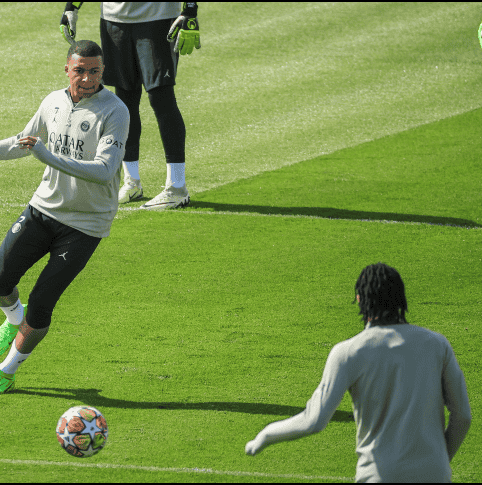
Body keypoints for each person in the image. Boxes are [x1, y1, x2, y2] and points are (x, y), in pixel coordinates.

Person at [0, 40, 129, 396]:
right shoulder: (53, 102)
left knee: (41, 305)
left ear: (103, 72)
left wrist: (46, 155)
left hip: (85, 225)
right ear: (67, 69)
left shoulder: (115, 111)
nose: (87, 78)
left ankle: (5, 372)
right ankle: (12, 320)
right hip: (43, 210)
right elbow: (18, 144)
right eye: (80, 70)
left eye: (95, 71)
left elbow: (104, 171)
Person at [245, 263, 472, 483]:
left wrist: (266, 434)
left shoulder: (349, 352)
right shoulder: (436, 345)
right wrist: (438, 460)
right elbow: (462, 416)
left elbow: (313, 421)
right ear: (401, 299)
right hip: (434, 474)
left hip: (380, 475)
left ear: (359, 300)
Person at [60, 2, 200, 210]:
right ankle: (131, 182)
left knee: (161, 98)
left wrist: (190, 10)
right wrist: (71, 8)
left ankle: (177, 187)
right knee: (124, 100)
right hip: (114, 20)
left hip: (158, 18)